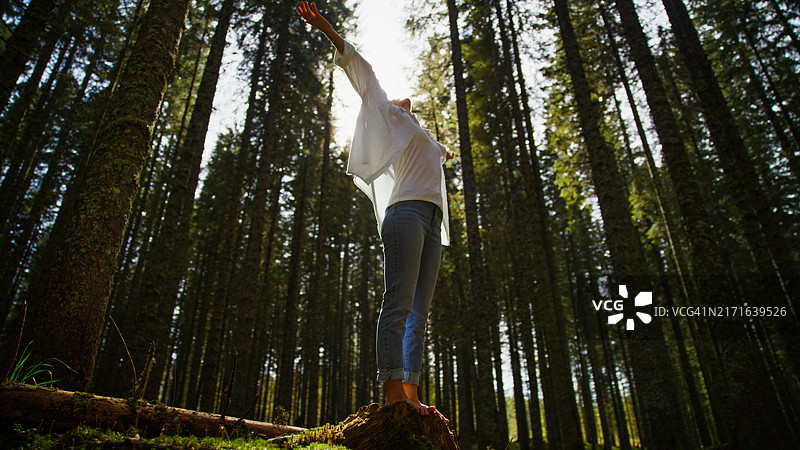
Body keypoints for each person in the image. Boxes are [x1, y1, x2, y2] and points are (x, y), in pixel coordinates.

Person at [296, 2, 452, 421]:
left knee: (420, 311)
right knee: (399, 300)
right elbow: (363, 72)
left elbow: (438, 152)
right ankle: (392, 391)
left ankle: (412, 393)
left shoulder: (421, 134)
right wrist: (327, 29)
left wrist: (445, 152)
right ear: (388, 112)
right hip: (406, 214)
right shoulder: (390, 116)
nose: (403, 100)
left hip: (433, 220)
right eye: (396, 101)